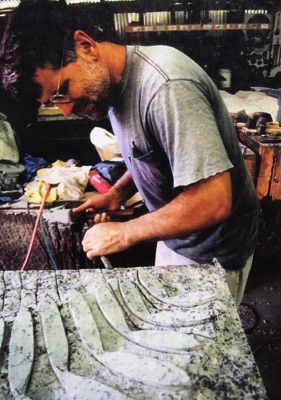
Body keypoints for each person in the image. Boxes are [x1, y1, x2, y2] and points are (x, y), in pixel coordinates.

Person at [0, 0, 260, 306]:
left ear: (85, 46)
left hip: (213, 252)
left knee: (194, 347)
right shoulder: (112, 87)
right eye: (52, 102)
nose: (66, 108)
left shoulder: (166, 87)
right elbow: (147, 153)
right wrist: (117, 195)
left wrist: (124, 233)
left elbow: (213, 200)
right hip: (176, 234)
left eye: (62, 91)